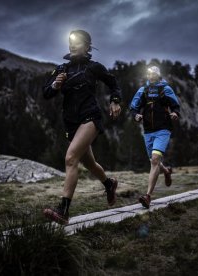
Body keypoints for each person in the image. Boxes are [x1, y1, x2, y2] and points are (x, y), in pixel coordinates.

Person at [42, 30, 122, 225]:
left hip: (90, 117)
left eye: (77, 42)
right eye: (70, 42)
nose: (72, 45)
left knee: (71, 159)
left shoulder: (94, 67)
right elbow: (46, 93)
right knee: (90, 164)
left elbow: (113, 83)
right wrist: (55, 86)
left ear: (87, 47)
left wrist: (115, 101)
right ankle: (109, 184)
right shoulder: (62, 68)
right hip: (71, 123)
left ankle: (64, 211)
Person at [130, 65, 180, 208]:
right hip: (148, 131)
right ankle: (166, 171)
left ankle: (148, 196)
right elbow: (133, 107)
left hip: (163, 130)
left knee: (155, 160)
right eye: (149, 74)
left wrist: (175, 113)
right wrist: (136, 115)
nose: (151, 76)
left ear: (158, 75)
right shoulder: (143, 90)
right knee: (154, 161)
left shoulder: (165, 89)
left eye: (153, 74)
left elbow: (175, 105)